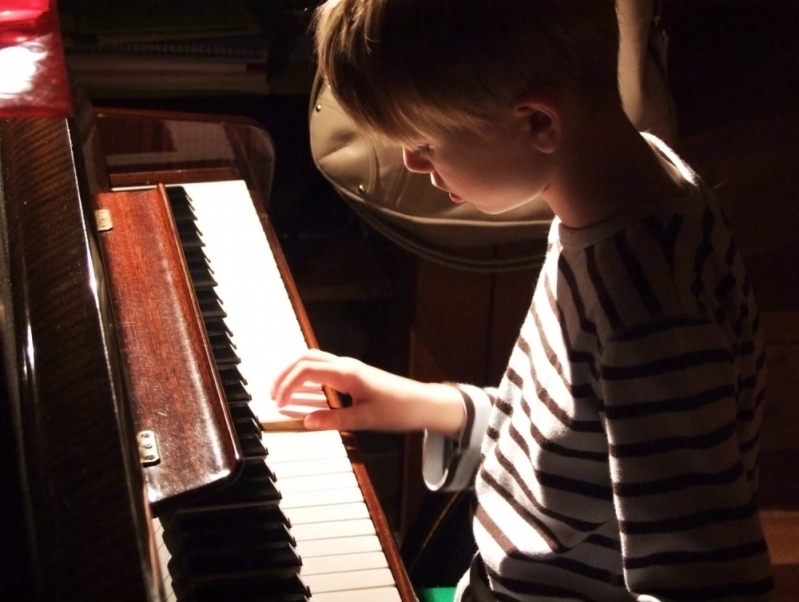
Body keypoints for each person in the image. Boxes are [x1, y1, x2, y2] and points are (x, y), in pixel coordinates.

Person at [271, 0, 774, 599]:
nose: (412, 163)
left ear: (538, 122)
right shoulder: (627, 196)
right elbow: (570, 443)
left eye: (425, 142)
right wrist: (420, 404)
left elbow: (705, 584)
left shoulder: (650, 317)